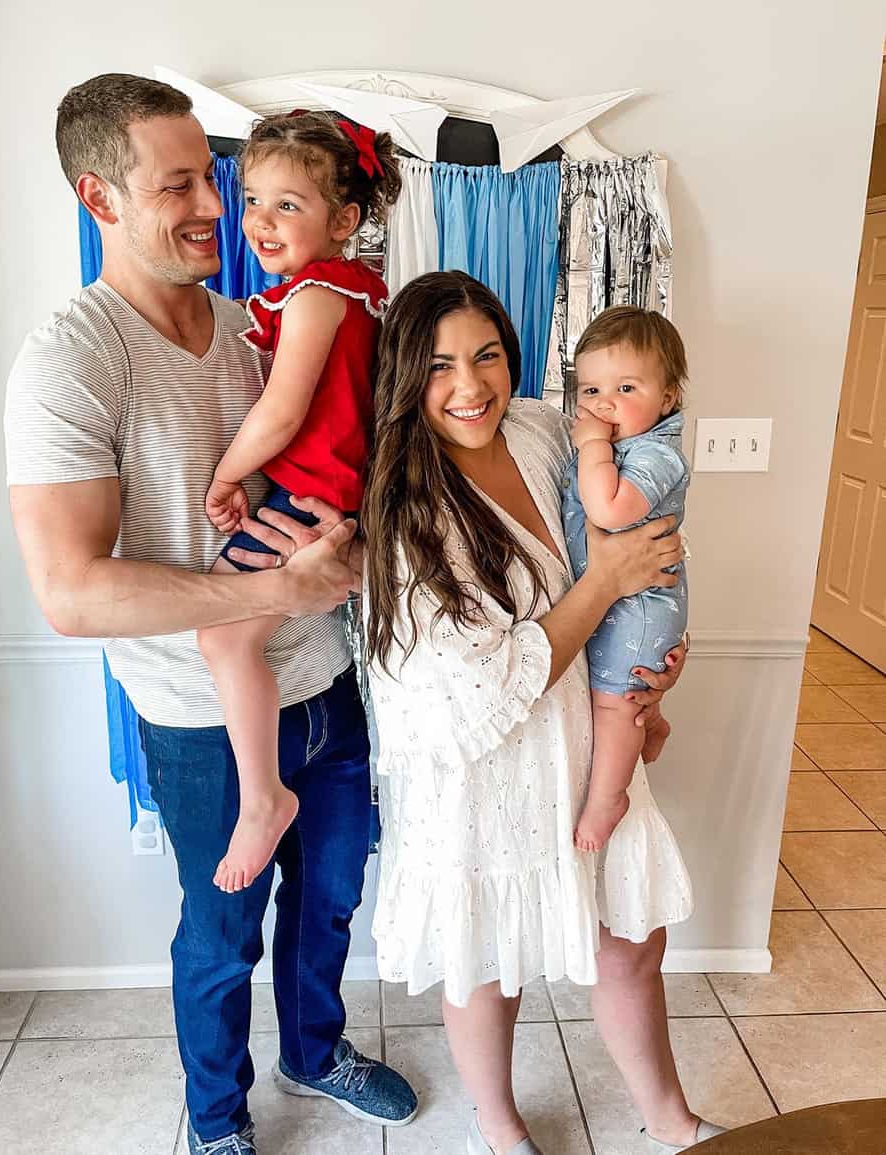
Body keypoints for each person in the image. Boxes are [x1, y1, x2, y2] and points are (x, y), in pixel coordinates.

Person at [4, 73, 416, 1155]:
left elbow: (355, 464)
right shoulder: (72, 361)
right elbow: (71, 591)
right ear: (99, 199)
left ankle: (315, 1053)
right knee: (222, 937)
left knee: (327, 908)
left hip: (327, 684)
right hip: (201, 716)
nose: (214, 208)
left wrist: (354, 552)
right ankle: (218, 1119)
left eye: (214, 179)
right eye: (178, 184)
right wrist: (276, 589)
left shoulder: (266, 324)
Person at [362, 271, 724, 1155]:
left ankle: (672, 1117)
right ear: (409, 377)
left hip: (581, 731)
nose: (472, 385)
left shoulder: (539, 428)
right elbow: (483, 681)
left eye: (488, 355)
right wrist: (607, 583)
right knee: (489, 962)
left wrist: (653, 667)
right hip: (482, 765)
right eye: (442, 365)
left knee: (633, 934)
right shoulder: (409, 506)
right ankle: (499, 1120)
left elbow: (640, 533)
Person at [197, 111, 401, 894]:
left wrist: (224, 475)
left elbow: (282, 412)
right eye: (253, 199)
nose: (260, 221)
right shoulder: (354, 293)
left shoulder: (316, 294)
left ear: (344, 221)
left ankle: (263, 799)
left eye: (290, 204)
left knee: (221, 636)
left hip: (309, 494)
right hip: (331, 493)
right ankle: (267, 795)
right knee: (232, 634)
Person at [564, 306, 690, 852]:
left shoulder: (656, 453)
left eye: (626, 387)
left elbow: (611, 510)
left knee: (615, 700)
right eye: (590, 390)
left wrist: (591, 446)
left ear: (667, 398)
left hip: (640, 606)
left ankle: (607, 799)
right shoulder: (622, 445)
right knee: (620, 696)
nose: (603, 404)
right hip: (620, 601)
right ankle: (652, 723)